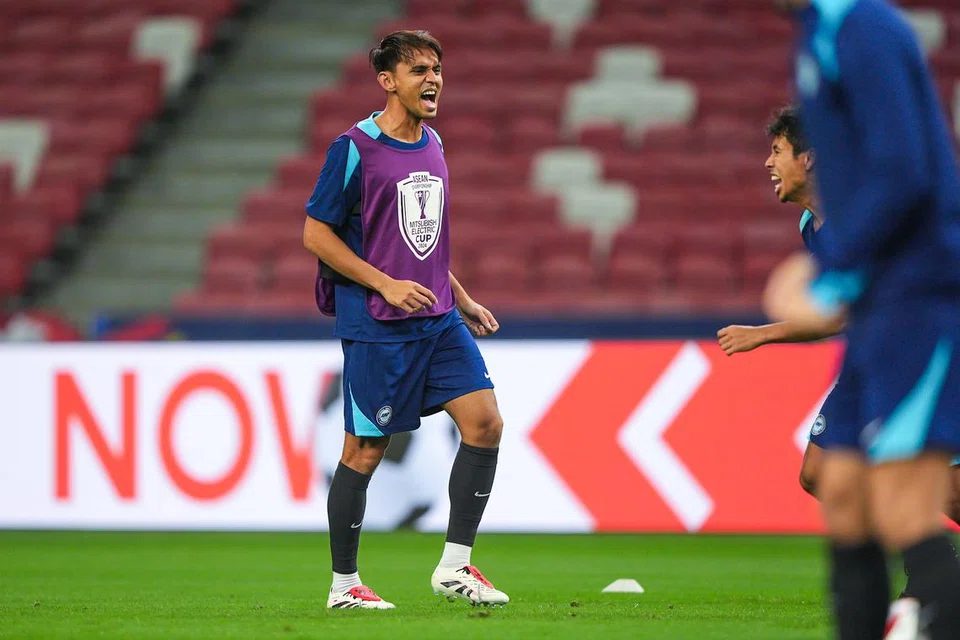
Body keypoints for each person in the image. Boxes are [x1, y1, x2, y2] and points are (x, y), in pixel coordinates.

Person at [765, 1, 960, 638]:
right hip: (880, 304)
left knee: (906, 509)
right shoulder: (817, 35)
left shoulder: (864, 28)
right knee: (842, 489)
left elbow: (905, 170)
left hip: (918, 295)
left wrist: (832, 272)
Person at [303, 30, 509, 610]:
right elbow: (315, 233)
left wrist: (459, 295)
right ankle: (344, 586)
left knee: (485, 423)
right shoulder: (353, 148)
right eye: (418, 70)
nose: (433, 79)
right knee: (365, 452)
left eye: (437, 68)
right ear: (387, 81)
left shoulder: (434, 142)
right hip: (376, 323)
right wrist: (385, 284)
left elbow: (424, 243)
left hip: (438, 318)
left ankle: (455, 565)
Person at [718, 105, 844, 499]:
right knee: (817, 474)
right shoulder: (812, 226)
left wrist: (763, 334)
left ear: (808, 158)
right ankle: (929, 555)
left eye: (777, 150)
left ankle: (929, 554)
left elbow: (841, 316)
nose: (767, 161)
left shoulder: (859, 214)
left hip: (925, 351)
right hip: (875, 355)